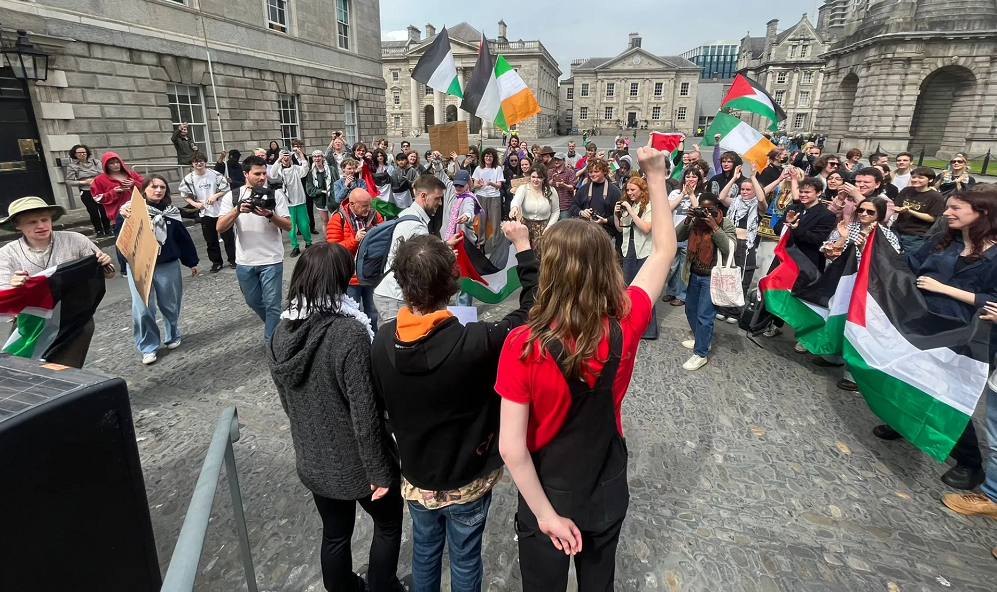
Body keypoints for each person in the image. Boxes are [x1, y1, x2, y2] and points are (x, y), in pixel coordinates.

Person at [495, 141, 676, 590]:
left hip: (548, 486)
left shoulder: (522, 343)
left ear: (550, 270)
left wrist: (545, 516)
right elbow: (663, 252)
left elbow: (511, 449)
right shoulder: (627, 318)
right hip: (606, 478)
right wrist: (655, 174)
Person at [371, 223, 537, 592]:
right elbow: (532, 309)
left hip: (417, 477)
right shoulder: (478, 341)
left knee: (425, 553)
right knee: (464, 557)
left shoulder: (382, 340)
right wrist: (523, 247)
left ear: (401, 284)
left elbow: (379, 406)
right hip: (467, 477)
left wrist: (426, 260)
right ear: (453, 283)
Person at [265, 243, 402, 592]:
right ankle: (383, 586)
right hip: (357, 462)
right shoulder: (349, 333)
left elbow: (287, 403)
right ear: (339, 280)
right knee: (388, 524)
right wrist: (381, 469)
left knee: (336, 534)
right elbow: (365, 412)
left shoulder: (281, 332)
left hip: (314, 457)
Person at [875, 188, 997, 491]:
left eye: (955, 208)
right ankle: (905, 423)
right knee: (910, 374)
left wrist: (946, 289)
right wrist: (874, 248)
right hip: (926, 323)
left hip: (968, 335)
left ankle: (969, 462)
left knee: (950, 393)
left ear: (981, 213)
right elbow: (910, 264)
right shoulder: (945, 240)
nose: (946, 213)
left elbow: (993, 302)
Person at [0, 196, 115, 368]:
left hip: (74, 318)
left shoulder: (76, 240)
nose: (41, 226)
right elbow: (4, 294)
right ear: (17, 225)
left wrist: (106, 265)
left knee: (64, 370)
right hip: (32, 323)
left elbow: (109, 274)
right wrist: (16, 287)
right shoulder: (7, 253)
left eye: (44, 219)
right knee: (25, 369)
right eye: (32, 222)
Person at [117, 175, 199, 365]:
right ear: (144, 189)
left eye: (162, 187)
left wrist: (191, 261)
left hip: (167, 265)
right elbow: (122, 238)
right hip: (139, 266)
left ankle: (172, 334)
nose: (158, 190)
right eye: (154, 186)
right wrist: (123, 264)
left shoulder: (171, 212)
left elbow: (182, 238)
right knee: (143, 308)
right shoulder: (131, 210)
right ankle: (148, 346)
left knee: (170, 304)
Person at [217, 155, 293, 342]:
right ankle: (278, 327)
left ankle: (272, 343)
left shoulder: (276, 195)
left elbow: (288, 226)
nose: (262, 177)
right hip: (245, 261)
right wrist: (237, 210)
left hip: (271, 259)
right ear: (245, 174)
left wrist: (270, 214)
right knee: (253, 301)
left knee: (273, 305)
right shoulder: (232, 196)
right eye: (257, 174)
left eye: (264, 173)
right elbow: (220, 227)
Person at [372, 175, 451, 327]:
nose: (440, 203)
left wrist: (444, 245)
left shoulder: (409, 214)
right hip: (394, 296)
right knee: (395, 344)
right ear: (424, 196)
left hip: (391, 294)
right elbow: (421, 262)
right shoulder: (415, 226)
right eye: (437, 198)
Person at [676, 193, 735, 370]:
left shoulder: (725, 223)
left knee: (705, 316)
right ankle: (702, 339)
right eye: (703, 208)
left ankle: (701, 353)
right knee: (690, 310)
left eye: (709, 209)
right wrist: (688, 219)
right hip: (694, 273)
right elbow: (678, 236)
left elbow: (729, 249)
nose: (705, 213)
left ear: (717, 208)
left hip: (712, 277)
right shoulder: (696, 221)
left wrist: (715, 227)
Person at [715, 168, 767, 323]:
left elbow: (761, 199)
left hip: (746, 245)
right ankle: (722, 307)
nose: (744, 192)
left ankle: (734, 311)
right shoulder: (736, 202)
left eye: (748, 189)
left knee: (742, 277)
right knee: (726, 274)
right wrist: (734, 179)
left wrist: (752, 177)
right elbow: (722, 197)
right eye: (743, 189)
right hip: (730, 241)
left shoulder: (758, 206)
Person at [326, 188, 383, 330]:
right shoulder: (337, 219)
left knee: (372, 311)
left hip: (370, 274)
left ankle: (373, 340)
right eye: (364, 205)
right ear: (352, 204)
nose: (368, 208)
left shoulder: (375, 215)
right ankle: (355, 341)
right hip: (349, 277)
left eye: (370, 204)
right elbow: (333, 251)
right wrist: (354, 239)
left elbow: (384, 241)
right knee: (351, 313)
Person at [614, 176, 657, 339]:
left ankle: (649, 329)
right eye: (628, 190)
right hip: (628, 249)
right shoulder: (628, 205)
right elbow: (620, 229)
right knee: (628, 289)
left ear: (642, 190)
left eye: (633, 190)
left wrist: (631, 211)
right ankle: (630, 324)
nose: (629, 193)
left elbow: (646, 228)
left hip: (643, 250)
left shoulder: (649, 206)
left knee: (644, 290)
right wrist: (617, 214)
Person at [90, 151, 144, 275]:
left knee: (140, 239)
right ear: (106, 166)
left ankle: (142, 264)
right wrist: (114, 192)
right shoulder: (100, 180)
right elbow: (97, 197)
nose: (115, 165)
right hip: (117, 216)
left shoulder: (131, 174)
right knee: (123, 243)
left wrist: (134, 184)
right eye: (111, 163)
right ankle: (125, 268)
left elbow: (146, 186)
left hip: (137, 212)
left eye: (117, 162)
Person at [180, 153, 234, 273]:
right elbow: (185, 195)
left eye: (201, 161)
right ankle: (216, 262)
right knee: (210, 239)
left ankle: (233, 259)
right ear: (192, 164)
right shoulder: (189, 179)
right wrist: (195, 204)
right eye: (196, 162)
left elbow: (226, 188)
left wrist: (215, 195)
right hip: (205, 213)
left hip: (221, 210)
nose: (199, 164)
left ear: (205, 162)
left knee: (228, 237)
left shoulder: (215, 175)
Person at [662, 168, 705, 307]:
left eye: (694, 177)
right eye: (688, 176)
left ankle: (681, 295)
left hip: (690, 236)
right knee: (672, 266)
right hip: (673, 234)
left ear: (698, 179)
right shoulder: (675, 192)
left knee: (684, 267)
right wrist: (682, 194)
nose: (690, 179)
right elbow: (667, 208)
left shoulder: (700, 194)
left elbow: (699, 210)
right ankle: (671, 291)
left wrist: (691, 194)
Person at [510, 164, 559, 258]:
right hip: (526, 226)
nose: (535, 180)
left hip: (544, 228)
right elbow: (516, 200)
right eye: (533, 177)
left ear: (544, 178)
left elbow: (556, 211)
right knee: (526, 255)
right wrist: (514, 208)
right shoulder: (523, 189)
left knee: (542, 255)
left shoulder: (551, 191)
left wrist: (549, 227)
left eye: (539, 177)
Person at [269, 147, 311, 257]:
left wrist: (301, 154)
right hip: (287, 203)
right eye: (283, 155)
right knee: (291, 227)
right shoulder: (279, 170)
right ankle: (295, 246)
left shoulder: (296, 168)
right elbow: (272, 174)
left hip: (300, 201)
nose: (285, 158)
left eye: (287, 155)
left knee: (304, 225)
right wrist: (278, 160)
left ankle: (308, 243)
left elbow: (305, 169)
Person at [892, 167, 944, 254]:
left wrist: (910, 211)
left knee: (910, 261)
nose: (915, 180)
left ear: (930, 180)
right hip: (897, 230)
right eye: (914, 177)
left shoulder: (936, 197)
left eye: (920, 178)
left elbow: (931, 218)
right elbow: (897, 206)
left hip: (916, 235)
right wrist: (898, 209)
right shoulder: (906, 190)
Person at [568, 159, 621, 242]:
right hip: (585, 233)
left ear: (604, 171)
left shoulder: (614, 191)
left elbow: (620, 214)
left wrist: (606, 220)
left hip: (607, 234)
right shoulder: (584, 189)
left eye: (596, 171)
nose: (593, 174)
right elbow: (573, 206)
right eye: (590, 172)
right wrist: (581, 212)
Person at [65, 144, 110, 237]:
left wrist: (95, 180)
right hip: (86, 191)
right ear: (75, 154)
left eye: (84, 152)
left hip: (100, 190)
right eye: (79, 153)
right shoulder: (72, 166)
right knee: (93, 212)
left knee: (104, 211)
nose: (82, 154)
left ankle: (108, 229)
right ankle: (99, 231)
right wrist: (83, 181)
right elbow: (69, 181)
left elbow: (103, 173)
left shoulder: (95, 162)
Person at [830, 167, 894, 224]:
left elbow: (883, 219)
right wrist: (840, 200)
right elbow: (828, 217)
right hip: (841, 234)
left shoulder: (886, 202)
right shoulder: (846, 197)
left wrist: (858, 197)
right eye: (858, 181)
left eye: (866, 182)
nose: (861, 185)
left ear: (877, 184)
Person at [471, 147, 505, 251]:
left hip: (494, 197)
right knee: (481, 221)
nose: (488, 158)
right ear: (483, 157)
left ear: (493, 158)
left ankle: (496, 244)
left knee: (495, 222)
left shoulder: (498, 169)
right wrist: (480, 185)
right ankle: (482, 243)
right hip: (481, 196)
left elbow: (499, 185)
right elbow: (474, 185)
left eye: (490, 156)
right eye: (486, 156)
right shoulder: (478, 169)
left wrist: (491, 183)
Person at [306, 150, 334, 231]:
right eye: (315, 156)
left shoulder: (331, 170)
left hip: (332, 199)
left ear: (322, 158)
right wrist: (321, 191)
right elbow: (309, 189)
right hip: (320, 201)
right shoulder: (311, 173)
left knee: (335, 222)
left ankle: (335, 240)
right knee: (325, 221)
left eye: (319, 156)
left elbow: (336, 183)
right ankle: (327, 241)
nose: (317, 158)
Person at [548, 152, 577, 221]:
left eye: (559, 159)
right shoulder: (550, 171)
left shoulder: (570, 172)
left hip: (565, 205)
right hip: (552, 205)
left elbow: (572, 187)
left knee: (564, 228)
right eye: (555, 159)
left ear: (563, 160)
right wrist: (553, 180)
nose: (556, 161)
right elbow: (547, 185)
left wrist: (564, 185)